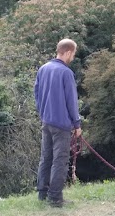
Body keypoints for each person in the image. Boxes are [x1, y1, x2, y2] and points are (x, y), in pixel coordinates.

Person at [34, 38, 82, 208]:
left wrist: (43, 114)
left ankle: (42, 193)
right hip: (61, 124)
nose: (73, 58)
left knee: (45, 158)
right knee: (60, 161)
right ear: (68, 52)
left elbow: (37, 96)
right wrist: (77, 125)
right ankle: (55, 198)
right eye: (73, 54)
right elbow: (72, 101)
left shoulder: (43, 69)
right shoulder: (66, 73)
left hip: (46, 121)